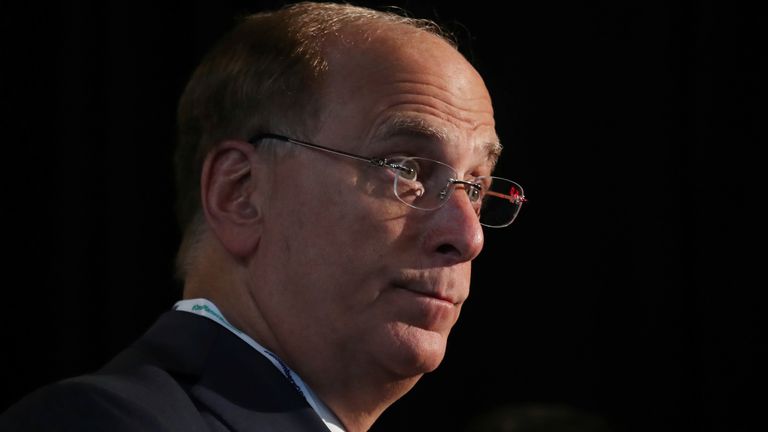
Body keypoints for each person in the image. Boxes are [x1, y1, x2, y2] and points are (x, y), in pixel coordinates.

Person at [0, 2, 525, 431]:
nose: (467, 234)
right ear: (240, 193)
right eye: (405, 167)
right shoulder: (106, 423)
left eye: (475, 187)